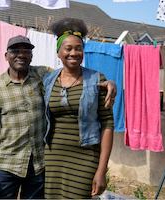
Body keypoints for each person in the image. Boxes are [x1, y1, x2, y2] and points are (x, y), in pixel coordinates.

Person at [0, 35, 116, 199]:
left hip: (40, 166)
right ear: (6, 56)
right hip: (8, 165)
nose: (21, 55)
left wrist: (110, 83)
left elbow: (72, 73)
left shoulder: (44, 75)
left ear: (31, 56)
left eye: (26, 51)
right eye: (15, 51)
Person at [43, 18, 114, 199]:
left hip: (85, 157)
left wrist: (101, 170)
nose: (74, 53)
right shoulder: (47, 80)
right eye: (68, 48)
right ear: (58, 52)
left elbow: (107, 125)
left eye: (78, 48)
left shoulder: (97, 80)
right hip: (53, 157)